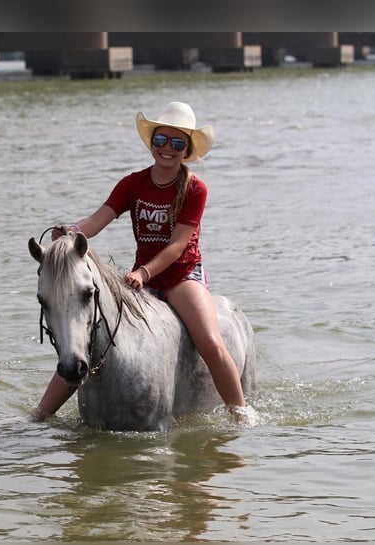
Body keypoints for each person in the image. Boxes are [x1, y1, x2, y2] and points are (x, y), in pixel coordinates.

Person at [30, 101, 246, 421]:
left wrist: (144, 273)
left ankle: (241, 412)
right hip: (141, 278)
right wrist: (70, 231)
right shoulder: (133, 183)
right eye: (160, 140)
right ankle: (39, 415)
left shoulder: (195, 188)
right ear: (151, 143)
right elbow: (98, 219)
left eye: (176, 143)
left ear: (186, 150)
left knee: (211, 342)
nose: (167, 149)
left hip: (182, 276)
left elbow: (177, 246)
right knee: (91, 343)